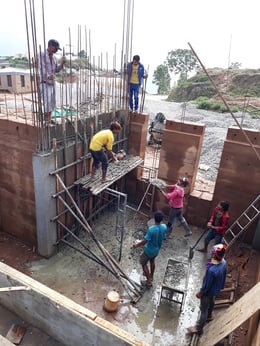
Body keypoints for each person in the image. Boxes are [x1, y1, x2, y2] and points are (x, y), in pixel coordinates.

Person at [187, 243, 227, 336]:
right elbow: (224, 275)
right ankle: (209, 314)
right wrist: (221, 286)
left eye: (212, 252)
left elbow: (207, 285)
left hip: (208, 292)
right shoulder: (224, 262)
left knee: (203, 309)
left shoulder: (212, 270)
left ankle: (198, 328)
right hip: (215, 290)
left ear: (214, 255)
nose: (210, 252)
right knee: (212, 302)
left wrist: (201, 292)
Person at [132, 210, 167, 288]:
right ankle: (151, 276)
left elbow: (145, 241)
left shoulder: (151, 229)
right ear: (162, 219)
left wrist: (136, 245)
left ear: (154, 218)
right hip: (157, 250)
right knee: (152, 261)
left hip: (149, 251)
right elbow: (164, 237)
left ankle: (148, 281)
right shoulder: (164, 227)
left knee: (143, 263)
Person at [38, 39, 66, 125]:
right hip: (44, 83)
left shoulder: (54, 58)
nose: (57, 50)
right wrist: (48, 76)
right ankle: (46, 121)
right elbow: (41, 67)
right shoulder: (42, 55)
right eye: (56, 48)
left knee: (51, 102)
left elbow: (56, 70)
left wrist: (62, 64)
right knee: (46, 102)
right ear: (50, 46)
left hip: (51, 83)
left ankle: (49, 119)